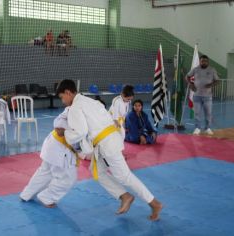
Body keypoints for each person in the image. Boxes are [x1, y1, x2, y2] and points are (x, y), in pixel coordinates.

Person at [55, 79, 162, 221]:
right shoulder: (89, 101)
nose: (63, 101)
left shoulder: (75, 107)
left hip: (107, 144)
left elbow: (79, 132)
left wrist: (65, 132)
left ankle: (154, 203)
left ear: (68, 92)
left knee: (125, 176)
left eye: (62, 97)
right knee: (97, 171)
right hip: (110, 139)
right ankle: (125, 196)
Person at [19, 107, 78, 208]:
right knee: (68, 178)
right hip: (60, 149)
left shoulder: (72, 109)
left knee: (45, 172)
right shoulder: (77, 110)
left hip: (53, 145)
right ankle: (47, 197)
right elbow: (59, 128)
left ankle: (26, 194)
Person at [186, 55, 219, 135]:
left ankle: (208, 128)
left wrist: (211, 85)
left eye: (205, 61)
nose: (203, 62)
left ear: (208, 62)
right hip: (197, 96)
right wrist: (191, 84)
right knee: (197, 113)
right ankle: (197, 128)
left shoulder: (212, 70)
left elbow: (217, 81)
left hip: (207, 97)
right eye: (202, 61)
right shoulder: (195, 69)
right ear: (200, 61)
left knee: (208, 113)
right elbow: (187, 76)